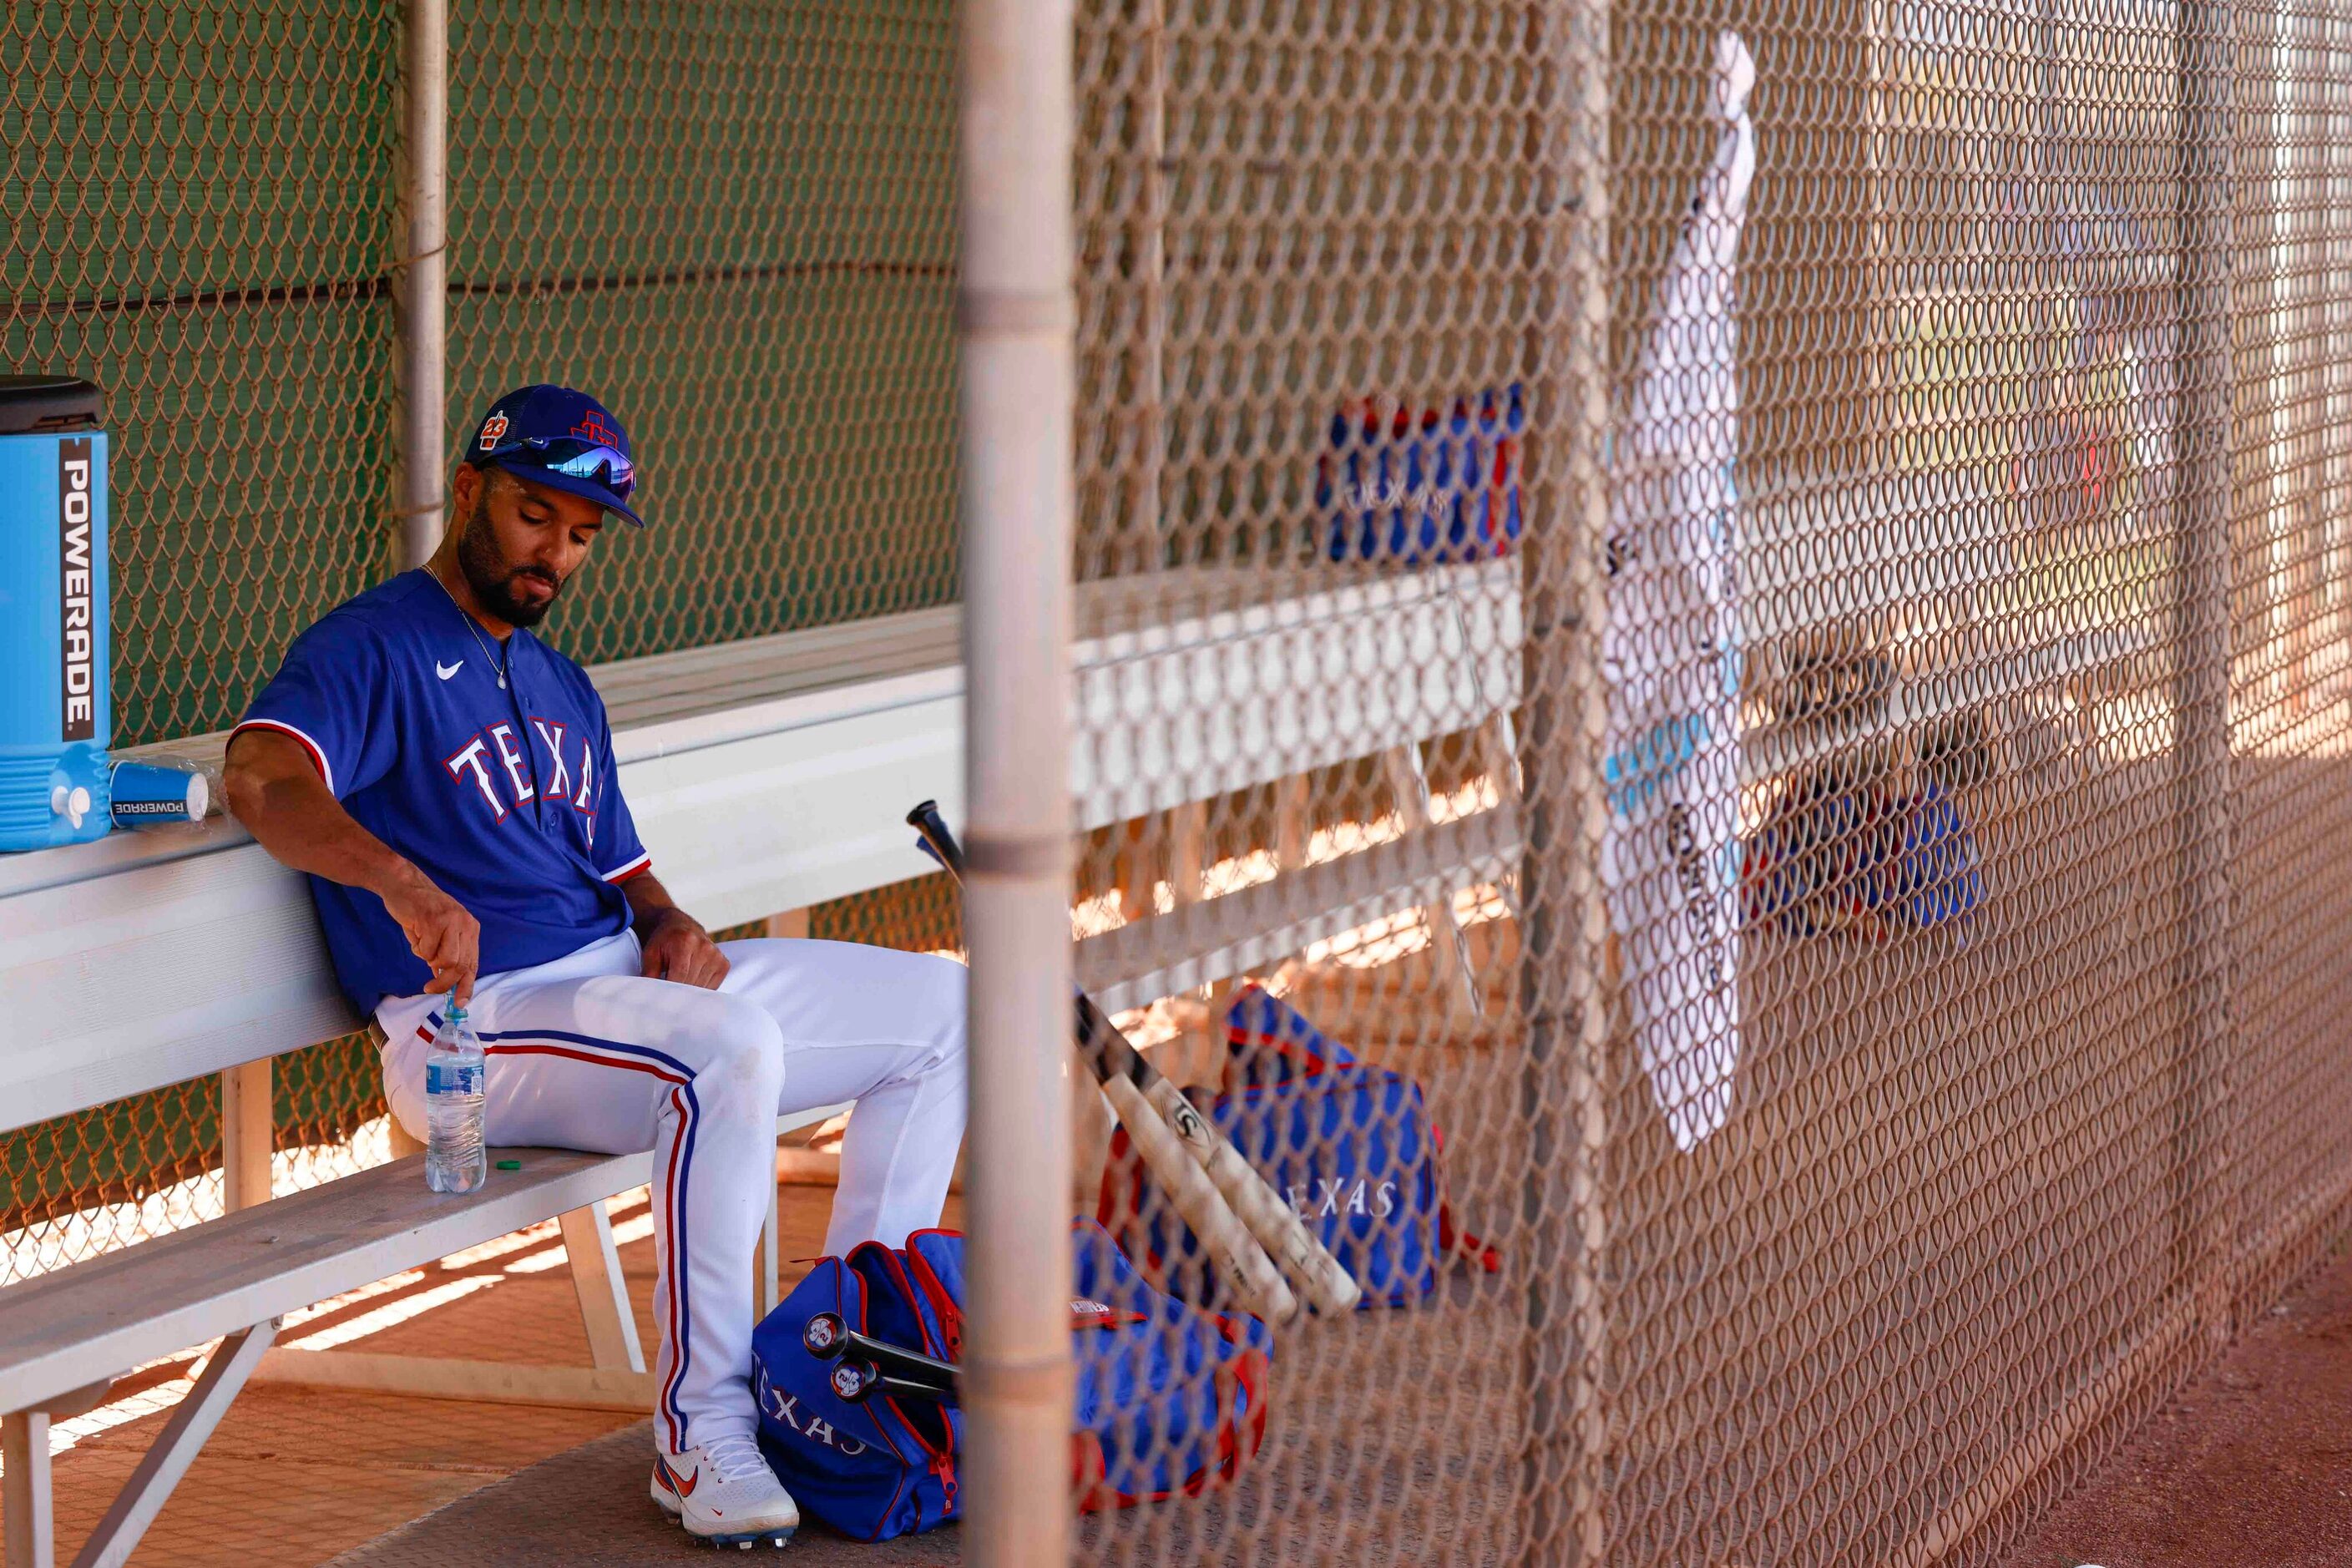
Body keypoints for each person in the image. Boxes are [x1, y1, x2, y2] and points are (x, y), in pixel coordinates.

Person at [223, 383, 966, 1550]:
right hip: (474, 1029)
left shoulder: (562, 684)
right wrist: (403, 883)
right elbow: (263, 778)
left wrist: (670, 919)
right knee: (726, 1051)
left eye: (577, 534)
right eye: (534, 515)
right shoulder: (372, 644)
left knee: (948, 1007)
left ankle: (847, 1369)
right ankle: (699, 1429)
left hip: (618, 986)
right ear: (468, 490)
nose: (554, 553)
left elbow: (625, 868)